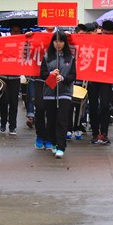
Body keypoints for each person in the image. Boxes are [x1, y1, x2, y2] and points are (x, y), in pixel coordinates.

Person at [40, 30, 77, 159]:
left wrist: (63, 78)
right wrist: (50, 74)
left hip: (65, 93)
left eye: (61, 41)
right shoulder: (47, 57)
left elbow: (73, 75)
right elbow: (42, 74)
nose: (58, 43)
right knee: (51, 120)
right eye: (56, 41)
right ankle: (54, 143)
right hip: (49, 93)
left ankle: (61, 147)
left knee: (62, 120)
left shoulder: (70, 58)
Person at [88, 21, 113, 145]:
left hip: (107, 78)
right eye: (105, 33)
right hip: (93, 77)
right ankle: (95, 133)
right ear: (101, 30)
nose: (107, 36)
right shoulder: (94, 39)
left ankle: (104, 133)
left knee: (105, 105)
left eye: (110, 34)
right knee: (93, 106)